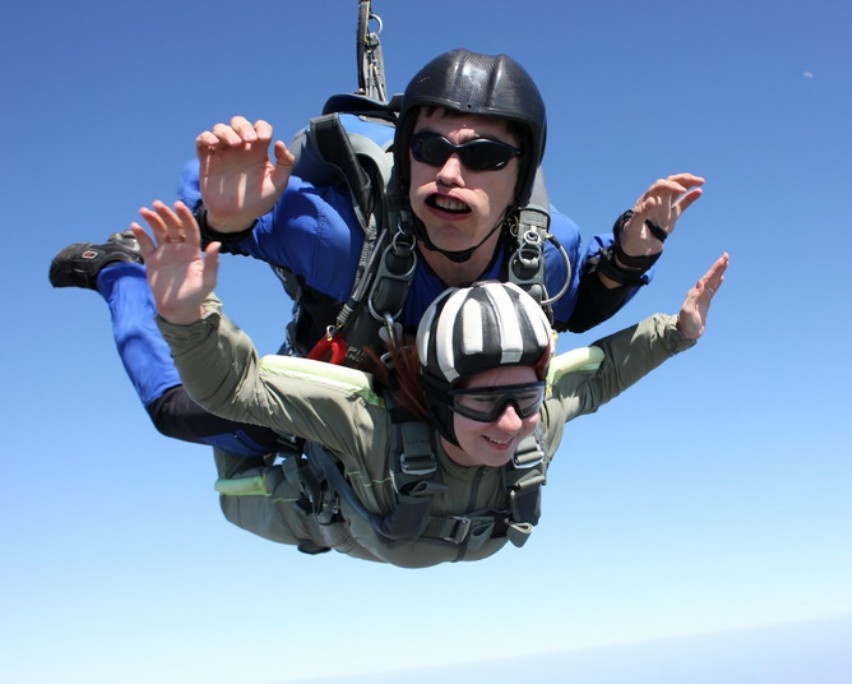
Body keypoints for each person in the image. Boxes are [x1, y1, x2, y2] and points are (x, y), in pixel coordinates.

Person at [49, 48, 704, 458]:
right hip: (340, 391)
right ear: (405, 160)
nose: (450, 173)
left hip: (443, 413)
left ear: (520, 178)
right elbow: (198, 214)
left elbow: (578, 306)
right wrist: (226, 219)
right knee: (177, 413)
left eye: (484, 157)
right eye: (429, 149)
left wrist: (634, 249)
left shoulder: (547, 253)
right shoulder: (343, 238)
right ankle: (115, 273)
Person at [135, 199, 729, 567]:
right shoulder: (366, 425)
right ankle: (119, 273)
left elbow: (600, 376)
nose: (510, 423)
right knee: (192, 433)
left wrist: (677, 332)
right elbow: (235, 388)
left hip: (386, 528)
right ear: (439, 397)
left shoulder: (536, 417)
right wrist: (189, 316)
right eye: (483, 401)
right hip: (308, 513)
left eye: (524, 396)